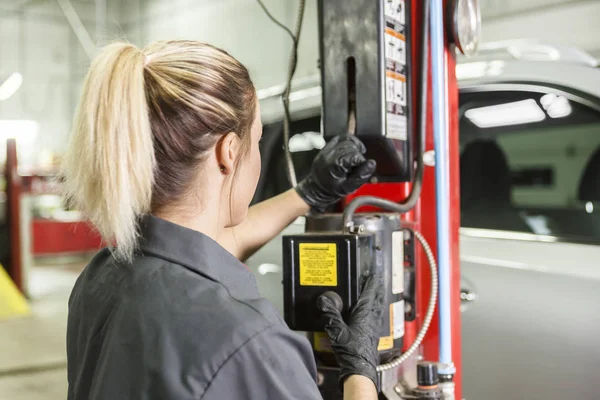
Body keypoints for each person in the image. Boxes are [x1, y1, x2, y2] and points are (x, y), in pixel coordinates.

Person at [62, 40, 383, 400]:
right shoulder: (250, 343)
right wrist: (360, 374)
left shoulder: (102, 276)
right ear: (228, 153)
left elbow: (200, 253)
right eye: (258, 141)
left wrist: (307, 194)